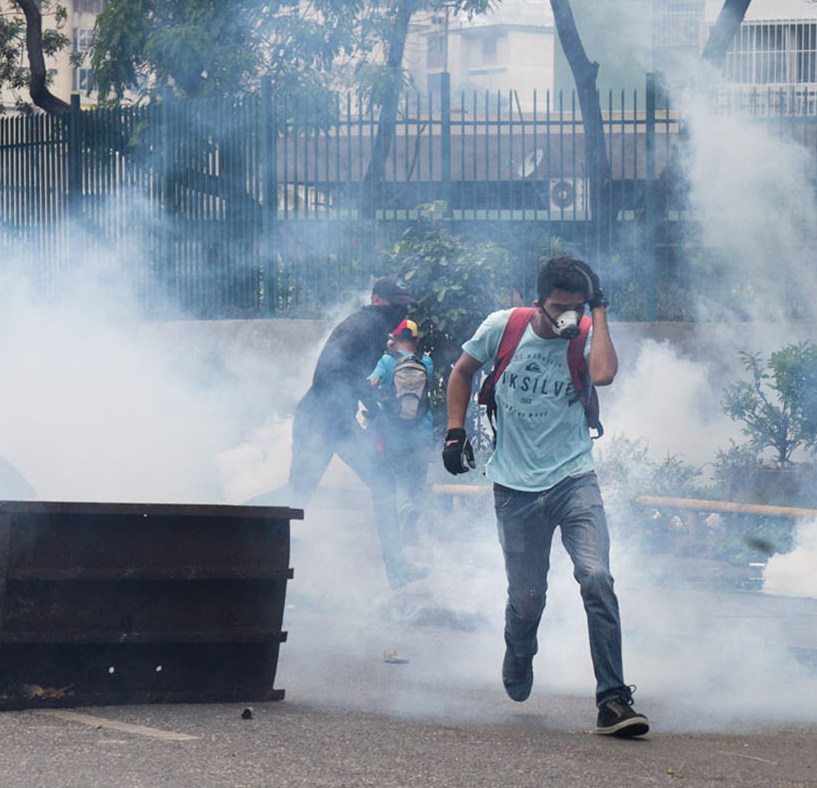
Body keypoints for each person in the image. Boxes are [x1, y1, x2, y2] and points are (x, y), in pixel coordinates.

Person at [441, 256, 649, 738]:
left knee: (597, 579)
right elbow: (461, 372)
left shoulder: (583, 332)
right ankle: (519, 649)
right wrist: (455, 433)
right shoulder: (503, 327)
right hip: (514, 490)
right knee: (528, 599)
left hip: (574, 480)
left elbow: (603, 376)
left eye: (577, 307)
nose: (567, 318)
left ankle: (613, 700)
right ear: (537, 301)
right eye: (559, 308)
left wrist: (598, 312)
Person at [256, 277, 422, 587]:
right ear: (378, 301)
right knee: (298, 495)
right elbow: (329, 372)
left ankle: (398, 570)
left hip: (336, 422)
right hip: (320, 421)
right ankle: (231, 519)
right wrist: (364, 394)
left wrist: (368, 401)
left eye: (405, 308)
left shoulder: (372, 328)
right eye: (397, 307)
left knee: (381, 481)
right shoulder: (362, 326)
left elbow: (348, 374)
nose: (402, 314)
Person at [364, 319, 436, 566]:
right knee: (416, 481)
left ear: (394, 339)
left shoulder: (386, 361)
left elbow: (371, 384)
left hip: (393, 435)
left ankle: (403, 514)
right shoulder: (426, 362)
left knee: (396, 480)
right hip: (422, 435)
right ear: (416, 340)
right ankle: (411, 526)